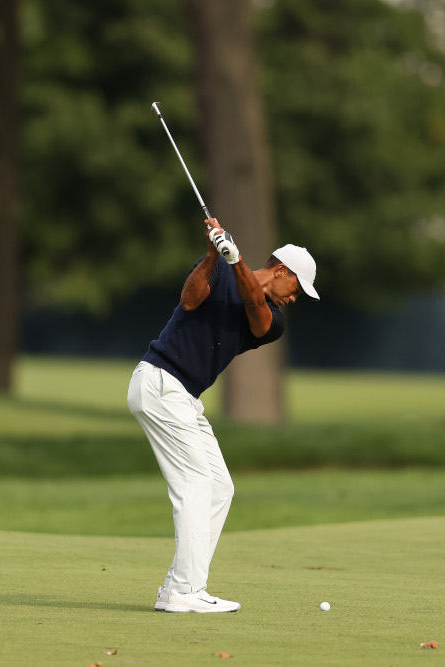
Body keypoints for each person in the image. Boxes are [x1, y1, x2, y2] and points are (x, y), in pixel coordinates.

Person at [127, 218, 319, 613]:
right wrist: (215, 253)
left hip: (183, 396)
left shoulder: (273, 321)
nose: (294, 298)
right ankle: (186, 591)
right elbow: (190, 300)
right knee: (196, 484)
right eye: (296, 288)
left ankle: (176, 588)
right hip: (161, 383)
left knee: (219, 487)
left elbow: (255, 309)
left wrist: (236, 261)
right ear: (282, 271)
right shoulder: (216, 266)